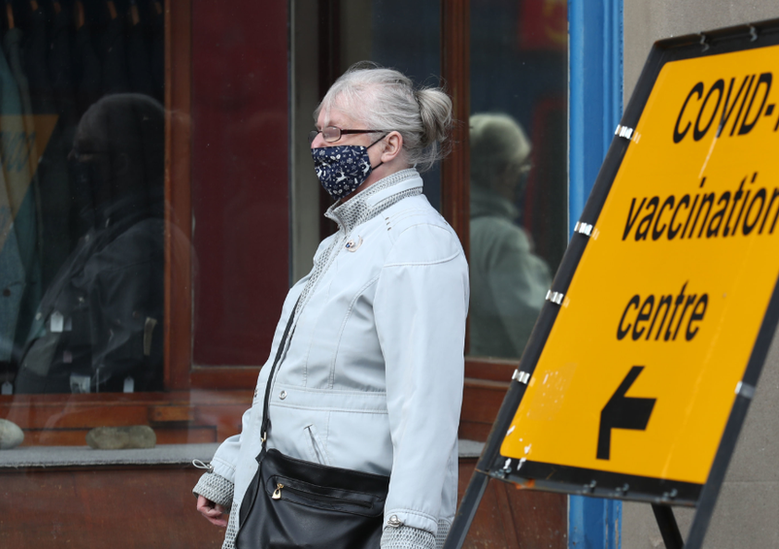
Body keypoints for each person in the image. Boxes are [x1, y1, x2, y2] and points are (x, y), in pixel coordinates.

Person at [193, 63, 468, 549]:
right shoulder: (345, 241)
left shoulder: (416, 242)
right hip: (290, 498)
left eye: (336, 131)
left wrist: (411, 534)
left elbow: (425, 408)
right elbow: (295, 380)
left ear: (390, 145)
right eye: (318, 131)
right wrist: (233, 468)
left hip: (339, 514)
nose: (320, 145)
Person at [14, 93, 166, 394]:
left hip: (80, 428)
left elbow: (115, 372)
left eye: (84, 151)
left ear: (121, 164)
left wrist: (60, 421)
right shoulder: (104, 231)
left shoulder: (138, 247)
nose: (71, 160)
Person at [468, 113, 551, 359]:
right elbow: (533, 335)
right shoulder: (503, 239)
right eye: (523, 166)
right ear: (505, 171)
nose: (525, 175)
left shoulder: (453, 229)